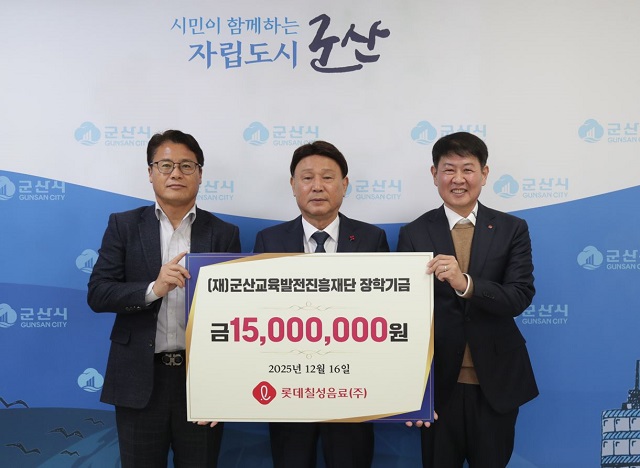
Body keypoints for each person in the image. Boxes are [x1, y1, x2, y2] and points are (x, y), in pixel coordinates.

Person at [87, 129, 241, 467]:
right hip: (139, 380)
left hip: (199, 381)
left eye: (187, 166)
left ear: (200, 174)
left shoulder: (224, 233)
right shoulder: (124, 226)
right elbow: (98, 293)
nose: (176, 174)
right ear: (150, 172)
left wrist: (222, 388)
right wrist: (153, 289)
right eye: (166, 165)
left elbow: (234, 318)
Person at [398, 132, 538, 468]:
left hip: (496, 384)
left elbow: (519, 295)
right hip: (439, 388)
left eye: (468, 169)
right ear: (434, 174)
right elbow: (405, 316)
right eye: (448, 169)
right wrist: (413, 392)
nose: (458, 179)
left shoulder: (512, 228)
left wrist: (466, 284)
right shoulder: (413, 233)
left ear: (484, 174)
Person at [253, 140, 389, 468]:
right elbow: (257, 316)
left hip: (351, 389)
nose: (317, 186)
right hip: (288, 389)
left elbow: (385, 314)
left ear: (344, 184)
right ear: (293, 185)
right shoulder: (269, 240)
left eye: (327, 177)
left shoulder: (372, 239)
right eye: (307, 178)